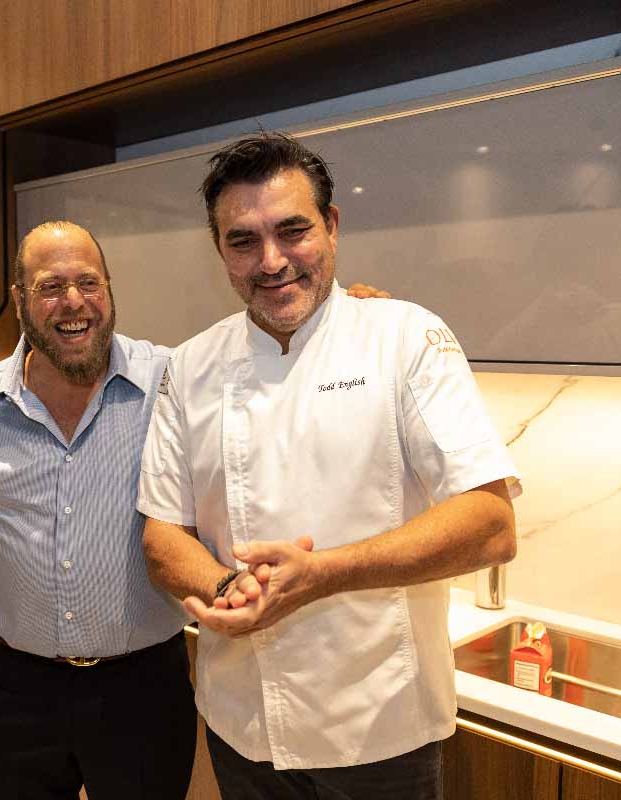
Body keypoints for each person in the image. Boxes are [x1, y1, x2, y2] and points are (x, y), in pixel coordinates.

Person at [0, 220, 389, 799]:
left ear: (110, 290)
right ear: (19, 300)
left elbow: (273, 368)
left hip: (142, 690)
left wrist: (342, 320)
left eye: (88, 283)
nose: (73, 303)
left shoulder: (174, 379)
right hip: (13, 690)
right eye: (49, 286)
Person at [138, 132, 522, 800]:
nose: (272, 260)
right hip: (242, 727)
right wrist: (232, 589)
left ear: (333, 227)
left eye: (293, 231)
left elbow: (491, 523)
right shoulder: (190, 366)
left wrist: (323, 574)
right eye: (243, 241)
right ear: (219, 250)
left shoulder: (404, 339)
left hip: (382, 730)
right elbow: (161, 534)